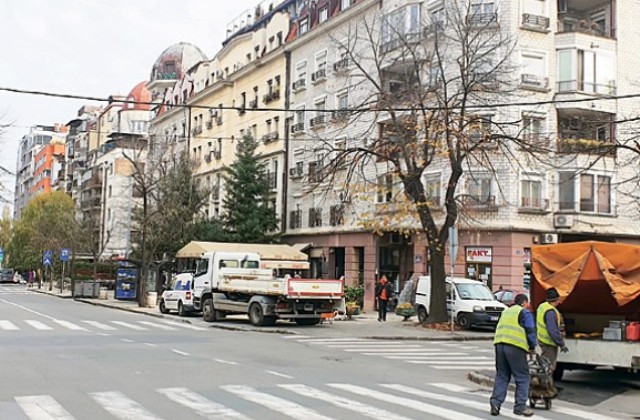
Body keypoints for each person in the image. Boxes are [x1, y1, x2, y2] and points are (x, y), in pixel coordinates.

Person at [490, 293, 537, 417]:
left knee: (502, 375)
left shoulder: (506, 312)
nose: (527, 306)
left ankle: (495, 403)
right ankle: (520, 407)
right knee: (522, 376)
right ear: (524, 303)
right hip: (515, 347)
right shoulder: (524, 313)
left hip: (499, 344)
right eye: (527, 304)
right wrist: (533, 346)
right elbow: (530, 331)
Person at [536, 287, 568, 378]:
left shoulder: (542, 307)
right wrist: (561, 344)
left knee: (545, 365)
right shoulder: (550, 312)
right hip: (548, 343)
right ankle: (543, 388)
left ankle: (545, 385)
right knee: (548, 367)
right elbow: (553, 331)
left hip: (543, 341)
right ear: (556, 300)